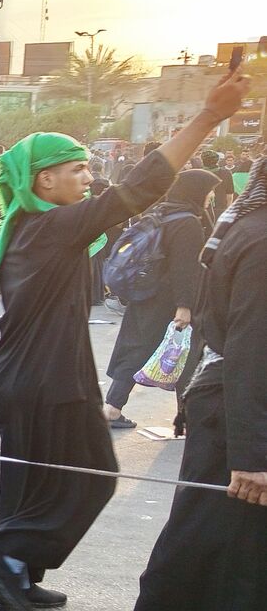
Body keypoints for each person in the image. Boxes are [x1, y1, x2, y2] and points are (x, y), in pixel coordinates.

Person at [0, 69, 250, 611]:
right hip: (51, 378)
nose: (88, 177)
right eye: (77, 170)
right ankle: (6, 555)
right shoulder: (53, 227)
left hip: (23, 377)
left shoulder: (32, 225)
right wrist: (210, 116)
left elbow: (126, 198)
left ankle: (14, 579)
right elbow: (141, 186)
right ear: (44, 181)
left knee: (31, 481)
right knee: (95, 476)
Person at [116, 156, 267, 611]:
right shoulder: (262, 239)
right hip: (238, 407)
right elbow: (253, 350)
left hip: (237, 404)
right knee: (202, 527)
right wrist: (252, 455)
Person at [102, 170, 218, 428]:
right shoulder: (188, 222)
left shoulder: (161, 212)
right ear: (196, 191)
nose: (211, 196)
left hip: (145, 292)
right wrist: (184, 306)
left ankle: (112, 408)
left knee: (135, 349)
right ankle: (186, 416)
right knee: (187, 355)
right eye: (209, 190)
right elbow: (184, 269)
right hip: (170, 299)